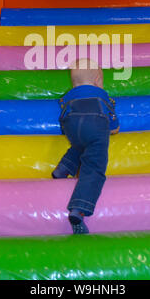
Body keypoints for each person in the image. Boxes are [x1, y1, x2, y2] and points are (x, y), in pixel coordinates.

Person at [52, 58, 120, 234]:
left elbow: (63, 118)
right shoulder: (102, 97)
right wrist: (113, 129)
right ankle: (79, 208)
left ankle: (64, 167)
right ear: (98, 81)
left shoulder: (68, 98)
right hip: (95, 126)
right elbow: (113, 123)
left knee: (80, 143)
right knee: (94, 167)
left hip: (71, 127)